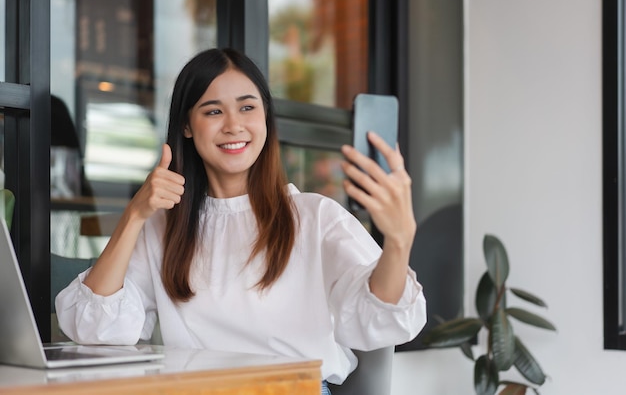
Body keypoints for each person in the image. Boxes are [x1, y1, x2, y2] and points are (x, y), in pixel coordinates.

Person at [55, 48, 427, 393]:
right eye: (213, 111)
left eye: (247, 108)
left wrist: (399, 242)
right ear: (187, 126)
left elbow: (378, 319)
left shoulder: (315, 216)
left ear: (265, 116)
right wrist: (135, 215)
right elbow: (94, 329)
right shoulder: (164, 227)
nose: (234, 125)